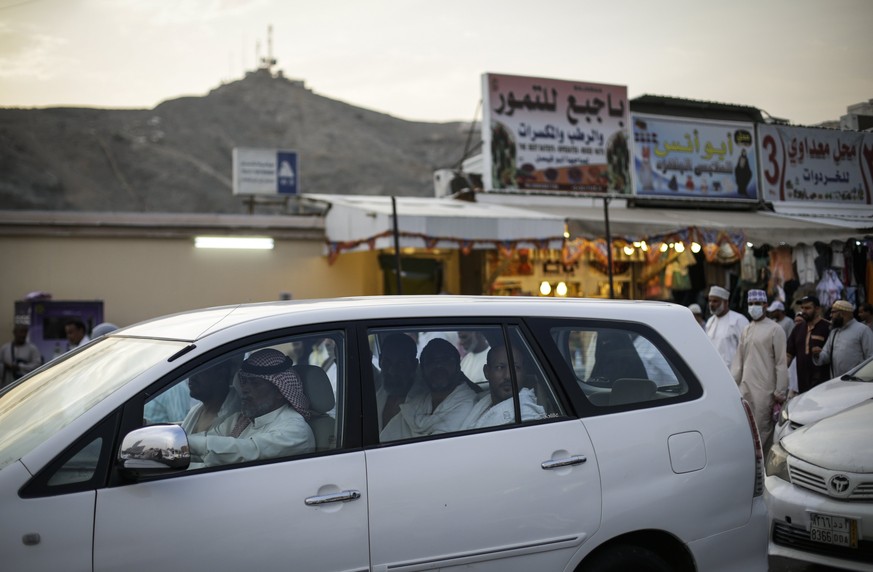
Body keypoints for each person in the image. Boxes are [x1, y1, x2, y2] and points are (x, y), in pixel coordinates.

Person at [187, 349, 314, 467]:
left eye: (255, 383)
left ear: (280, 391)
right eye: (244, 382)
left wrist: (183, 444)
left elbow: (245, 450)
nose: (245, 389)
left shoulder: (295, 430)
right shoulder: (242, 420)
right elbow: (207, 443)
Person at [380, 338, 476, 441]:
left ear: (458, 366)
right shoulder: (414, 406)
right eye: (431, 361)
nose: (438, 365)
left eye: (445, 359)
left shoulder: (472, 404)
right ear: (422, 369)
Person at [731, 290, 788, 449]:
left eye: (757, 304)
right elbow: (738, 361)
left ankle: (763, 468)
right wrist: (732, 385)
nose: (753, 307)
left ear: (765, 305)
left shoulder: (775, 330)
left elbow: (781, 363)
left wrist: (780, 391)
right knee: (747, 427)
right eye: (750, 304)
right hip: (745, 387)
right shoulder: (746, 329)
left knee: (763, 430)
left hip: (765, 390)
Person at [463, 345, 544, 429]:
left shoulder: (525, 415)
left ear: (524, 373)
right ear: (487, 372)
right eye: (500, 367)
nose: (508, 376)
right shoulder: (483, 401)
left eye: (516, 368)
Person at [812, 300, 873, 378]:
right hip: (836, 382)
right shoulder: (834, 332)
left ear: (842, 313)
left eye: (833, 312)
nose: (830, 315)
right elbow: (826, 355)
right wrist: (817, 354)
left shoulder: (863, 330)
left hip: (857, 383)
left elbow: (871, 358)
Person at [375, 333, 424, 428]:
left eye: (401, 364)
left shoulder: (424, 402)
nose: (392, 371)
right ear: (380, 361)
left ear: (413, 365)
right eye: (387, 363)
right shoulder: (377, 394)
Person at [181, 357, 241, 435]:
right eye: (191, 370)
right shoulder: (196, 411)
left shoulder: (236, 417)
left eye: (198, 370)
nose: (191, 377)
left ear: (221, 373)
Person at [785, 295, 831, 396]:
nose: (804, 311)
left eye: (808, 308)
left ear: (818, 309)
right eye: (802, 308)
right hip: (802, 385)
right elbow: (788, 355)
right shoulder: (797, 329)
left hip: (823, 386)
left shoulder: (828, 327)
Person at [705, 285, 749, 369]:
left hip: (733, 372)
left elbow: (747, 349)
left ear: (725, 302)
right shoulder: (710, 322)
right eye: (710, 301)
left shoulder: (739, 320)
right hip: (713, 369)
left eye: (715, 301)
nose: (711, 304)